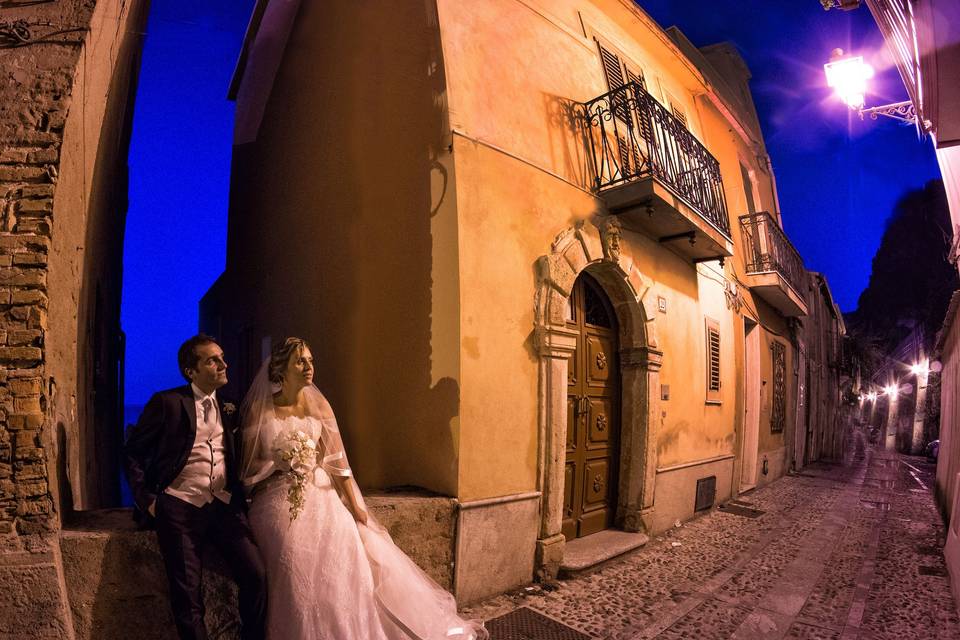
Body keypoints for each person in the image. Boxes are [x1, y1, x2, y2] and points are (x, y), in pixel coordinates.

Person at [240, 337, 486, 640]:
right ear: (281, 367)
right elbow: (249, 470)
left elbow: (339, 463)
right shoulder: (260, 411)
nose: (308, 367)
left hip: (322, 497)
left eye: (311, 360)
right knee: (290, 572)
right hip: (278, 500)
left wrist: (356, 506)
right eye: (300, 361)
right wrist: (281, 463)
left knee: (344, 566)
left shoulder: (319, 407)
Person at [124, 334, 267, 640]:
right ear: (191, 371)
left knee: (256, 575)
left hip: (224, 506)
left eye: (222, 357)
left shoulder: (230, 405)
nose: (223, 364)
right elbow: (133, 451)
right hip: (178, 505)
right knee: (187, 595)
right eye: (213, 360)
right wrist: (148, 501)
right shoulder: (168, 403)